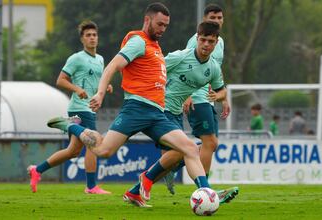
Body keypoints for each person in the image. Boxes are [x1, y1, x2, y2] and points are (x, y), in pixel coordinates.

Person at [47, 2, 218, 208]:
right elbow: (113, 65)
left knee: (190, 148)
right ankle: (71, 126)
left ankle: (206, 193)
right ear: (147, 20)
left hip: (156, 113)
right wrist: (100, 92)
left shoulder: (155, 47)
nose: (163, 29)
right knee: (103, 151)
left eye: (166, 26)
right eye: (159, 24)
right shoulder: (138, 41)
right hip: (136, 109)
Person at [125, 21, 238, 207]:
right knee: (183, 149)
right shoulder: (180, 57)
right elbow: (153, 70)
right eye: (203, 40)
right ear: (197, 38)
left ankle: (135, 191)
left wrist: (219, 95)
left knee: (178, 154)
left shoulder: (213, 68)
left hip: (175, 112)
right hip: (160, 109)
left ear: (216, 42)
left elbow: (222, 89)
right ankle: (206, 191)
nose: (206, 45)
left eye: (211, 41)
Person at [27, 20, 112, 194]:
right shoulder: (76, 58)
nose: (92, 38)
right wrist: (76, 89)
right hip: (79, 108)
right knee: (94, 142)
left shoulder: (100, 59)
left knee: (72, 151)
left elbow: (93, 84)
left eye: (94, 35)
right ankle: (91, 186)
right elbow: (60, 80)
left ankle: (38, 170)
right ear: (82, 39)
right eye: (88, 35)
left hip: (89, 108)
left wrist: (104, 88)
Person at [163, 4, 230, 195]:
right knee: (209, 143)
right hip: (197, 98)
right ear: (204, 20)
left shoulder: (220, 42)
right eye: (212, 18)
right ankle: (205, 190)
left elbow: (216, 69)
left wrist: (223, 97)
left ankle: (171, 168)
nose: (216, 21)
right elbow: (186, 65)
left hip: (209, 98)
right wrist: (188, 96)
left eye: (219, 18)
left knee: (211, 144)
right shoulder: (196, 40)